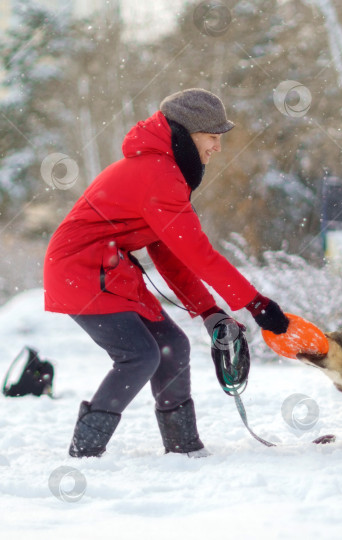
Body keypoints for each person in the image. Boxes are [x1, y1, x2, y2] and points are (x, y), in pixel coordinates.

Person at [43, 88, 290, 458]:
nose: (218, 147)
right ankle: (86, 448)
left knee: (172, 348)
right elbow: (200, 255)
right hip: (80, 269)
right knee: (139, 355)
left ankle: (183, 446)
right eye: (212, 137)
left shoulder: (164, 171)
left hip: (109, 267)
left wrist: (209, 311)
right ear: (186, 135)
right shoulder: (158, 174)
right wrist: (255, 304)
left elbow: (173, 257)